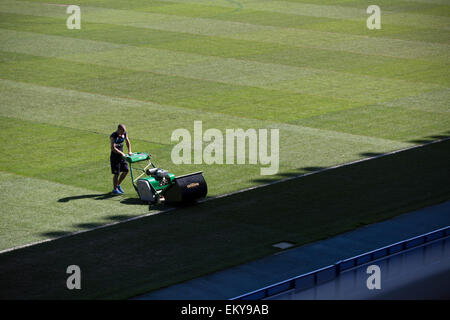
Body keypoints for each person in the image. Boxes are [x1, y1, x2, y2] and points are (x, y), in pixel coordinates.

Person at [110, 124, 132, 194]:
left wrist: (129, 151)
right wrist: (121, 153)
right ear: (118, 129)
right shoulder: (113, 136)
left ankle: (118, 185)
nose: (123, 133)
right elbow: (113, 148)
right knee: (117, 173)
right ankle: (115, 189)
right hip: (115, 157)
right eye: (122, 132)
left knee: (126, 170)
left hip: (122, 156)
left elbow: (127, 141)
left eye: (124, 132)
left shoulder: (124, 134)